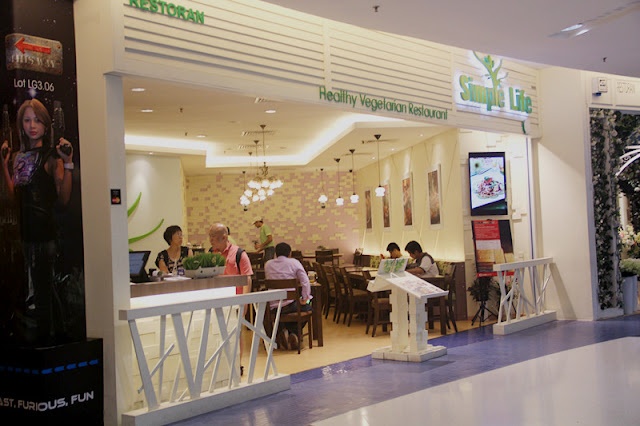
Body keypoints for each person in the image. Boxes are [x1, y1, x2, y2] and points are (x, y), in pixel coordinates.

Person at [1, 99, 74, 345]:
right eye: (27, 120)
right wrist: (5, 165)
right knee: (34, 289)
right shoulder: (19, 156)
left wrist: (68, 163)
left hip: (44, 234)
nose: (32, 126)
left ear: (45, 124)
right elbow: (13, 196)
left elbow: (63, 198)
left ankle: (50, 338)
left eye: (37, 120)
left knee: (44, 290)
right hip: (25, 234)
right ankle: (48, 336)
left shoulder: (51, 157)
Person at [209, 223, 252, 374]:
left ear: (224, 237)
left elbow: (247, 278)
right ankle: (222, 365)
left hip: (236, 300)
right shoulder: (211, 253)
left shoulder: (239, 254)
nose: (210, 240)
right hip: (218, 299)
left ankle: (237, 364)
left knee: (236, 333)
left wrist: (244, 302)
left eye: (213, 236)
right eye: (210, 236)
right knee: (218, 332)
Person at [264, 242, 312, 351]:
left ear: (275, 254)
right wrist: (305, 298)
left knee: (285, 310)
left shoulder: (268, 264)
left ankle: (282, 332)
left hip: (273, 307)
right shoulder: (294, 262)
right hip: (291, 305)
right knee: (308, 307)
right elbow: (305, 281)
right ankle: (294, 333)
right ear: (290, 253)